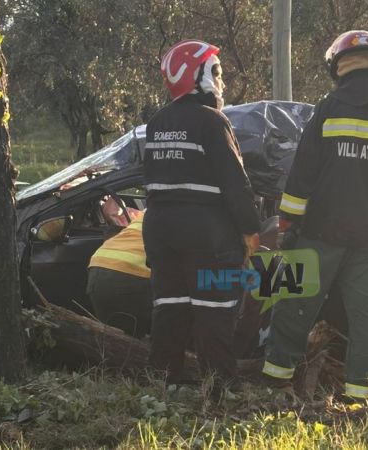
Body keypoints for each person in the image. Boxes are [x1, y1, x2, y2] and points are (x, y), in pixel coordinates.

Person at [262, 30, 368, 402]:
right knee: (367, 314)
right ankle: (361, 393)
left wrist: (287, 225)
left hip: (321, 232)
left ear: (339, 65)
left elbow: (301, 176)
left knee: (292, 301)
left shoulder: (327, 109)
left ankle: (275, 379)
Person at [143, 40, 261, 390]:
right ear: (200, 76)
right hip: (208, 234)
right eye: (217, 72)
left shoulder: (156, 123)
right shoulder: (213, 121)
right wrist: (251, 230)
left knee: (170, 308)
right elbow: (236, 185)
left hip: (161, 232)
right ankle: (219, 388)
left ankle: (166, 385)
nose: (221, 82)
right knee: (215, 311)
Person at [86, 205, 151, 338]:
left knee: (116, 340)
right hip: (130, 273)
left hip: (99, 265)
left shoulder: (156, 206)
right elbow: (203, 266)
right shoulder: (201, 218)